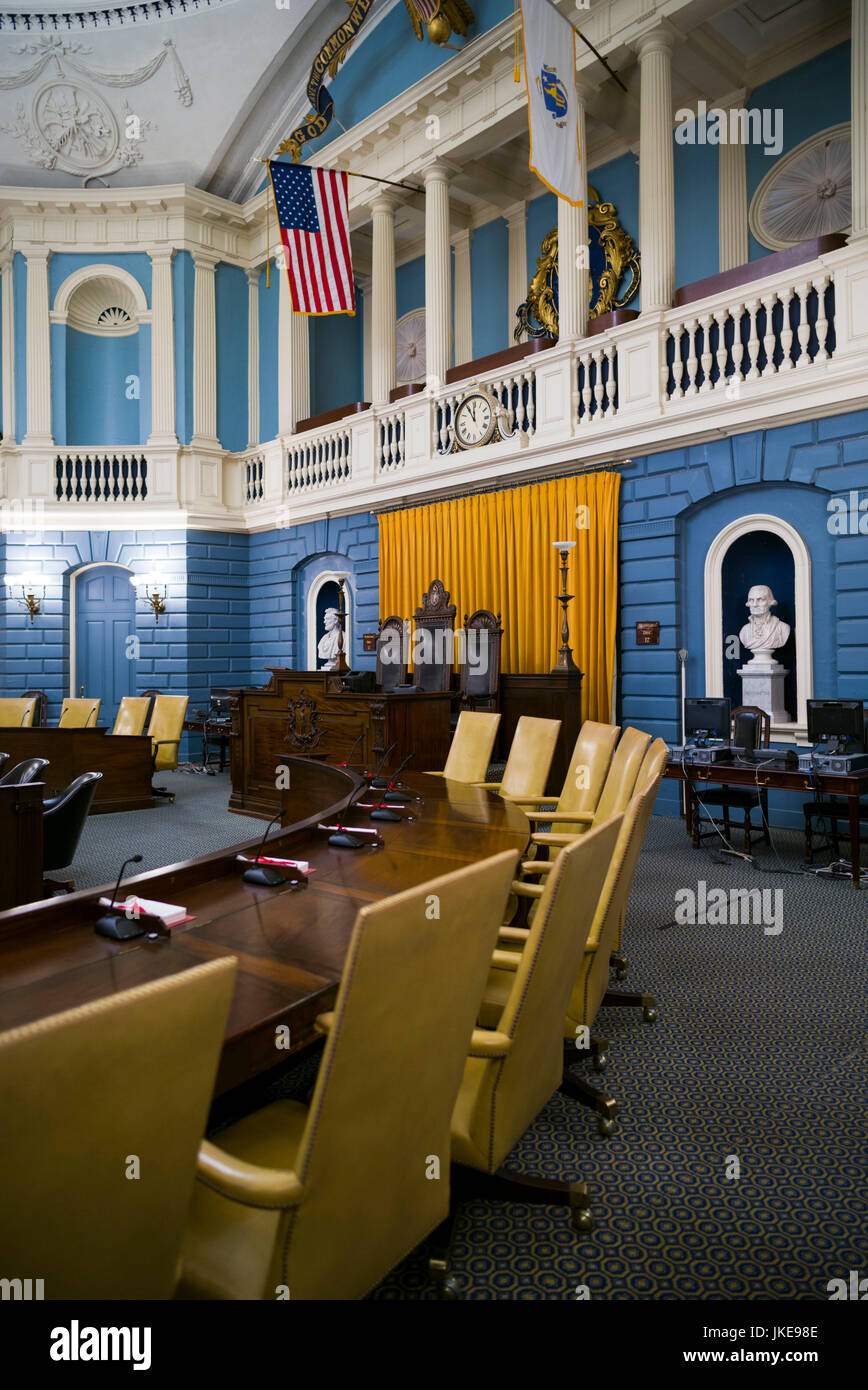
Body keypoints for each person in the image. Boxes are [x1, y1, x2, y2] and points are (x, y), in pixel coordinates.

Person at [739, 585, 790, 662]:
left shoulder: (783, 628)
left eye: (760, 600)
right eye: (751, 600)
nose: (755, 604)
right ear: (748, 603)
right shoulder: (744, 631)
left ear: (770, 602)